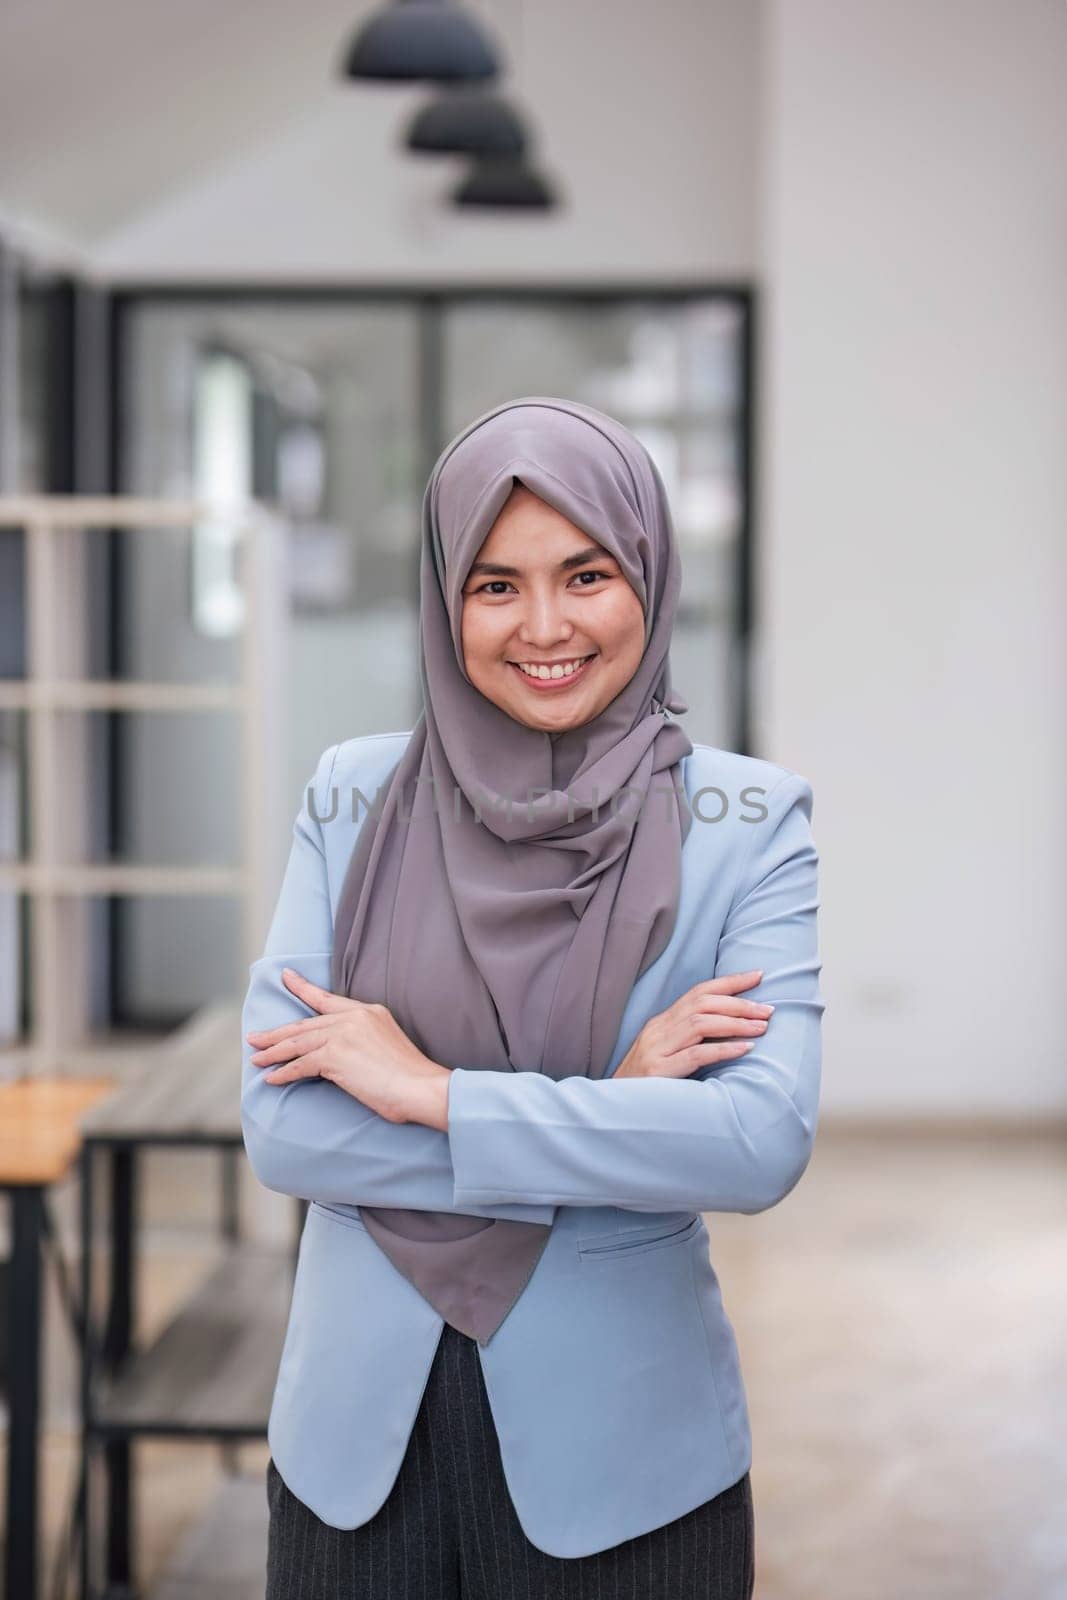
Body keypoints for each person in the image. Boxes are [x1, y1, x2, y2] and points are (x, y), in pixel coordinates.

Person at [240, 396, 824, 1599]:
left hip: (626, 1456)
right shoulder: (353, 802)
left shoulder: (748, 825)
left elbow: (755, 1143)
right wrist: (608, 1108)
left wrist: (430, 1095)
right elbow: (286, 1126)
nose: (543, 626)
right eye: (494, 585)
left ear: (648, 579)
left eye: (586, 573)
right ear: (444, 594)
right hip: (356, 1447)